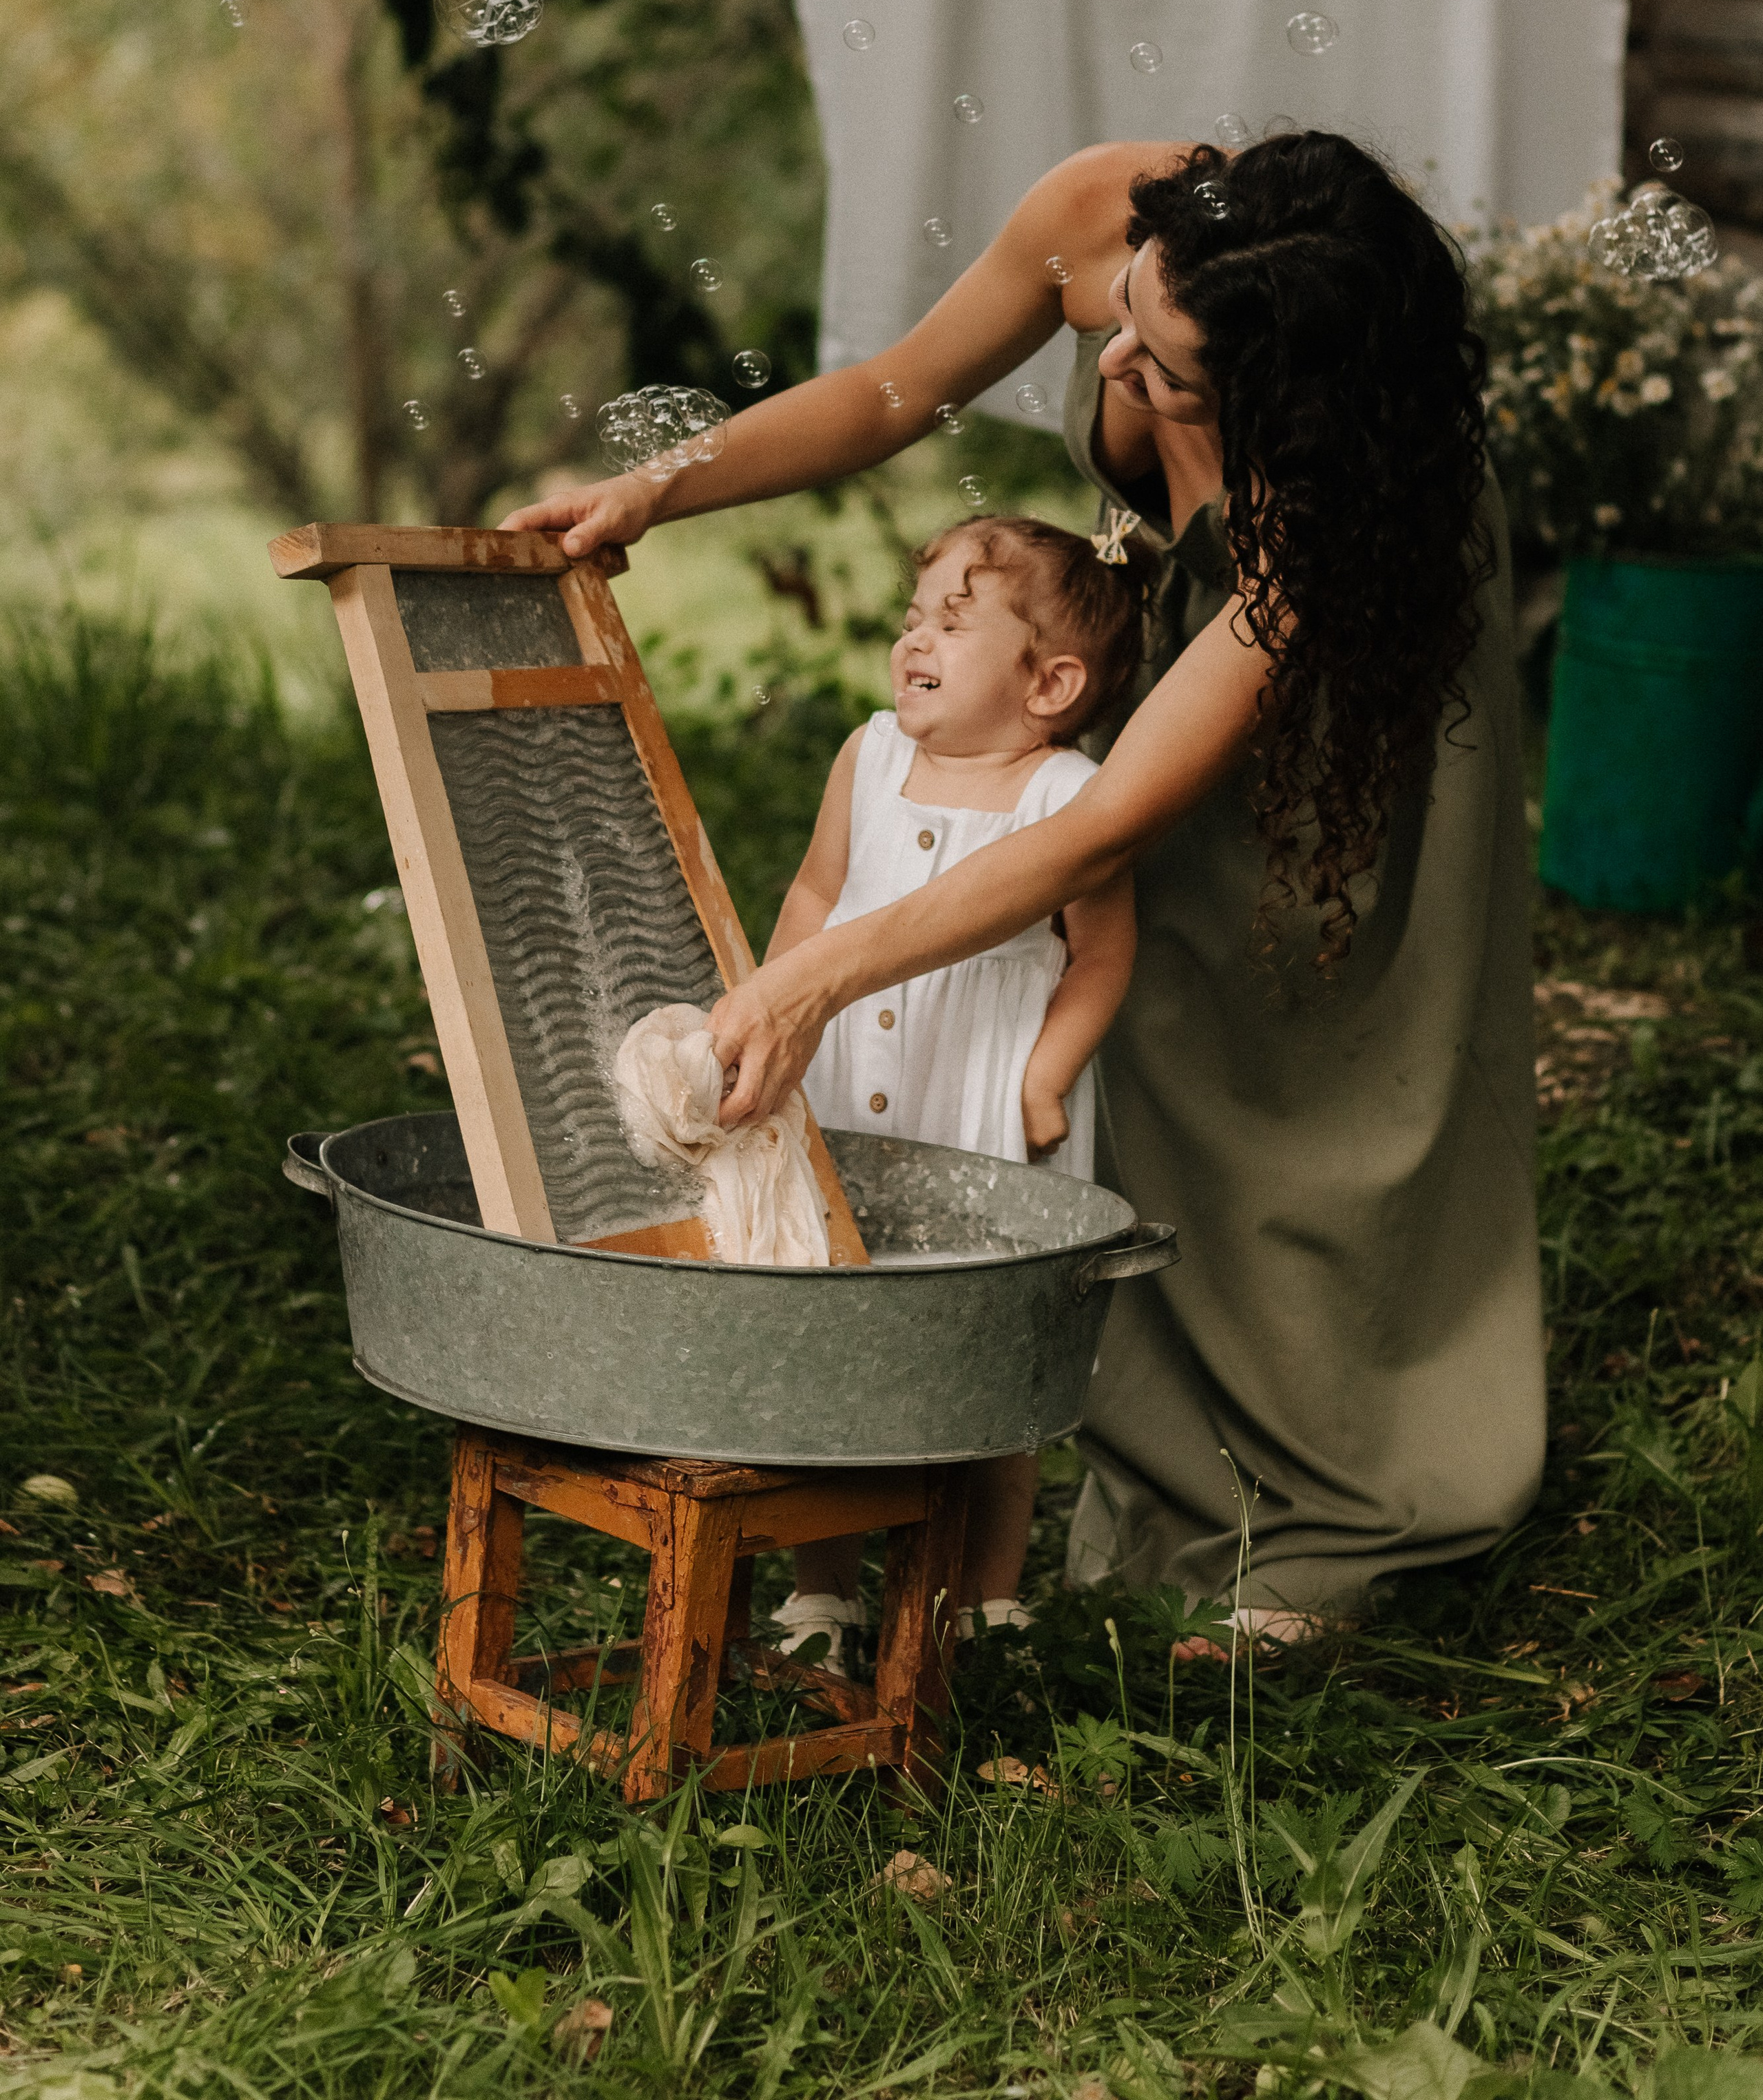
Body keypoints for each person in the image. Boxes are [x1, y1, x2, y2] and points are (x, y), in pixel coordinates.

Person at [504, 128, 1543, 1649]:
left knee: (1304, 1059)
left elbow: (1099, 822)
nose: (1112, 357)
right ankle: (1163, 1448)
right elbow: (887, 394)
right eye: (1124, 308)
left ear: (1283, 403)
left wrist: (812, 977)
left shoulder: (1332, 516)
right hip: (1166, 654)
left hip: (1345, 701)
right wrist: (656, 490)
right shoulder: (1110, 204)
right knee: (1151, 1027)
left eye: (1164, 373)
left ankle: (1347, 1480)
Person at [765, 514, 1144, 1671]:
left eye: (952, 621)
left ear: (1050, 683)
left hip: (979, 1109)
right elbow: (817, 895)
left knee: (990, 1362)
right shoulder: (870, 757)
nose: (913, 638)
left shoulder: (1071, 794)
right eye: (913, 615)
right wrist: (775, 1014)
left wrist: (1045, 1077)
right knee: (830, 1345)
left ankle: (982, 1604)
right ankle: (822, 1598)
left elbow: (1100, 956)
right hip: (849, 1093)